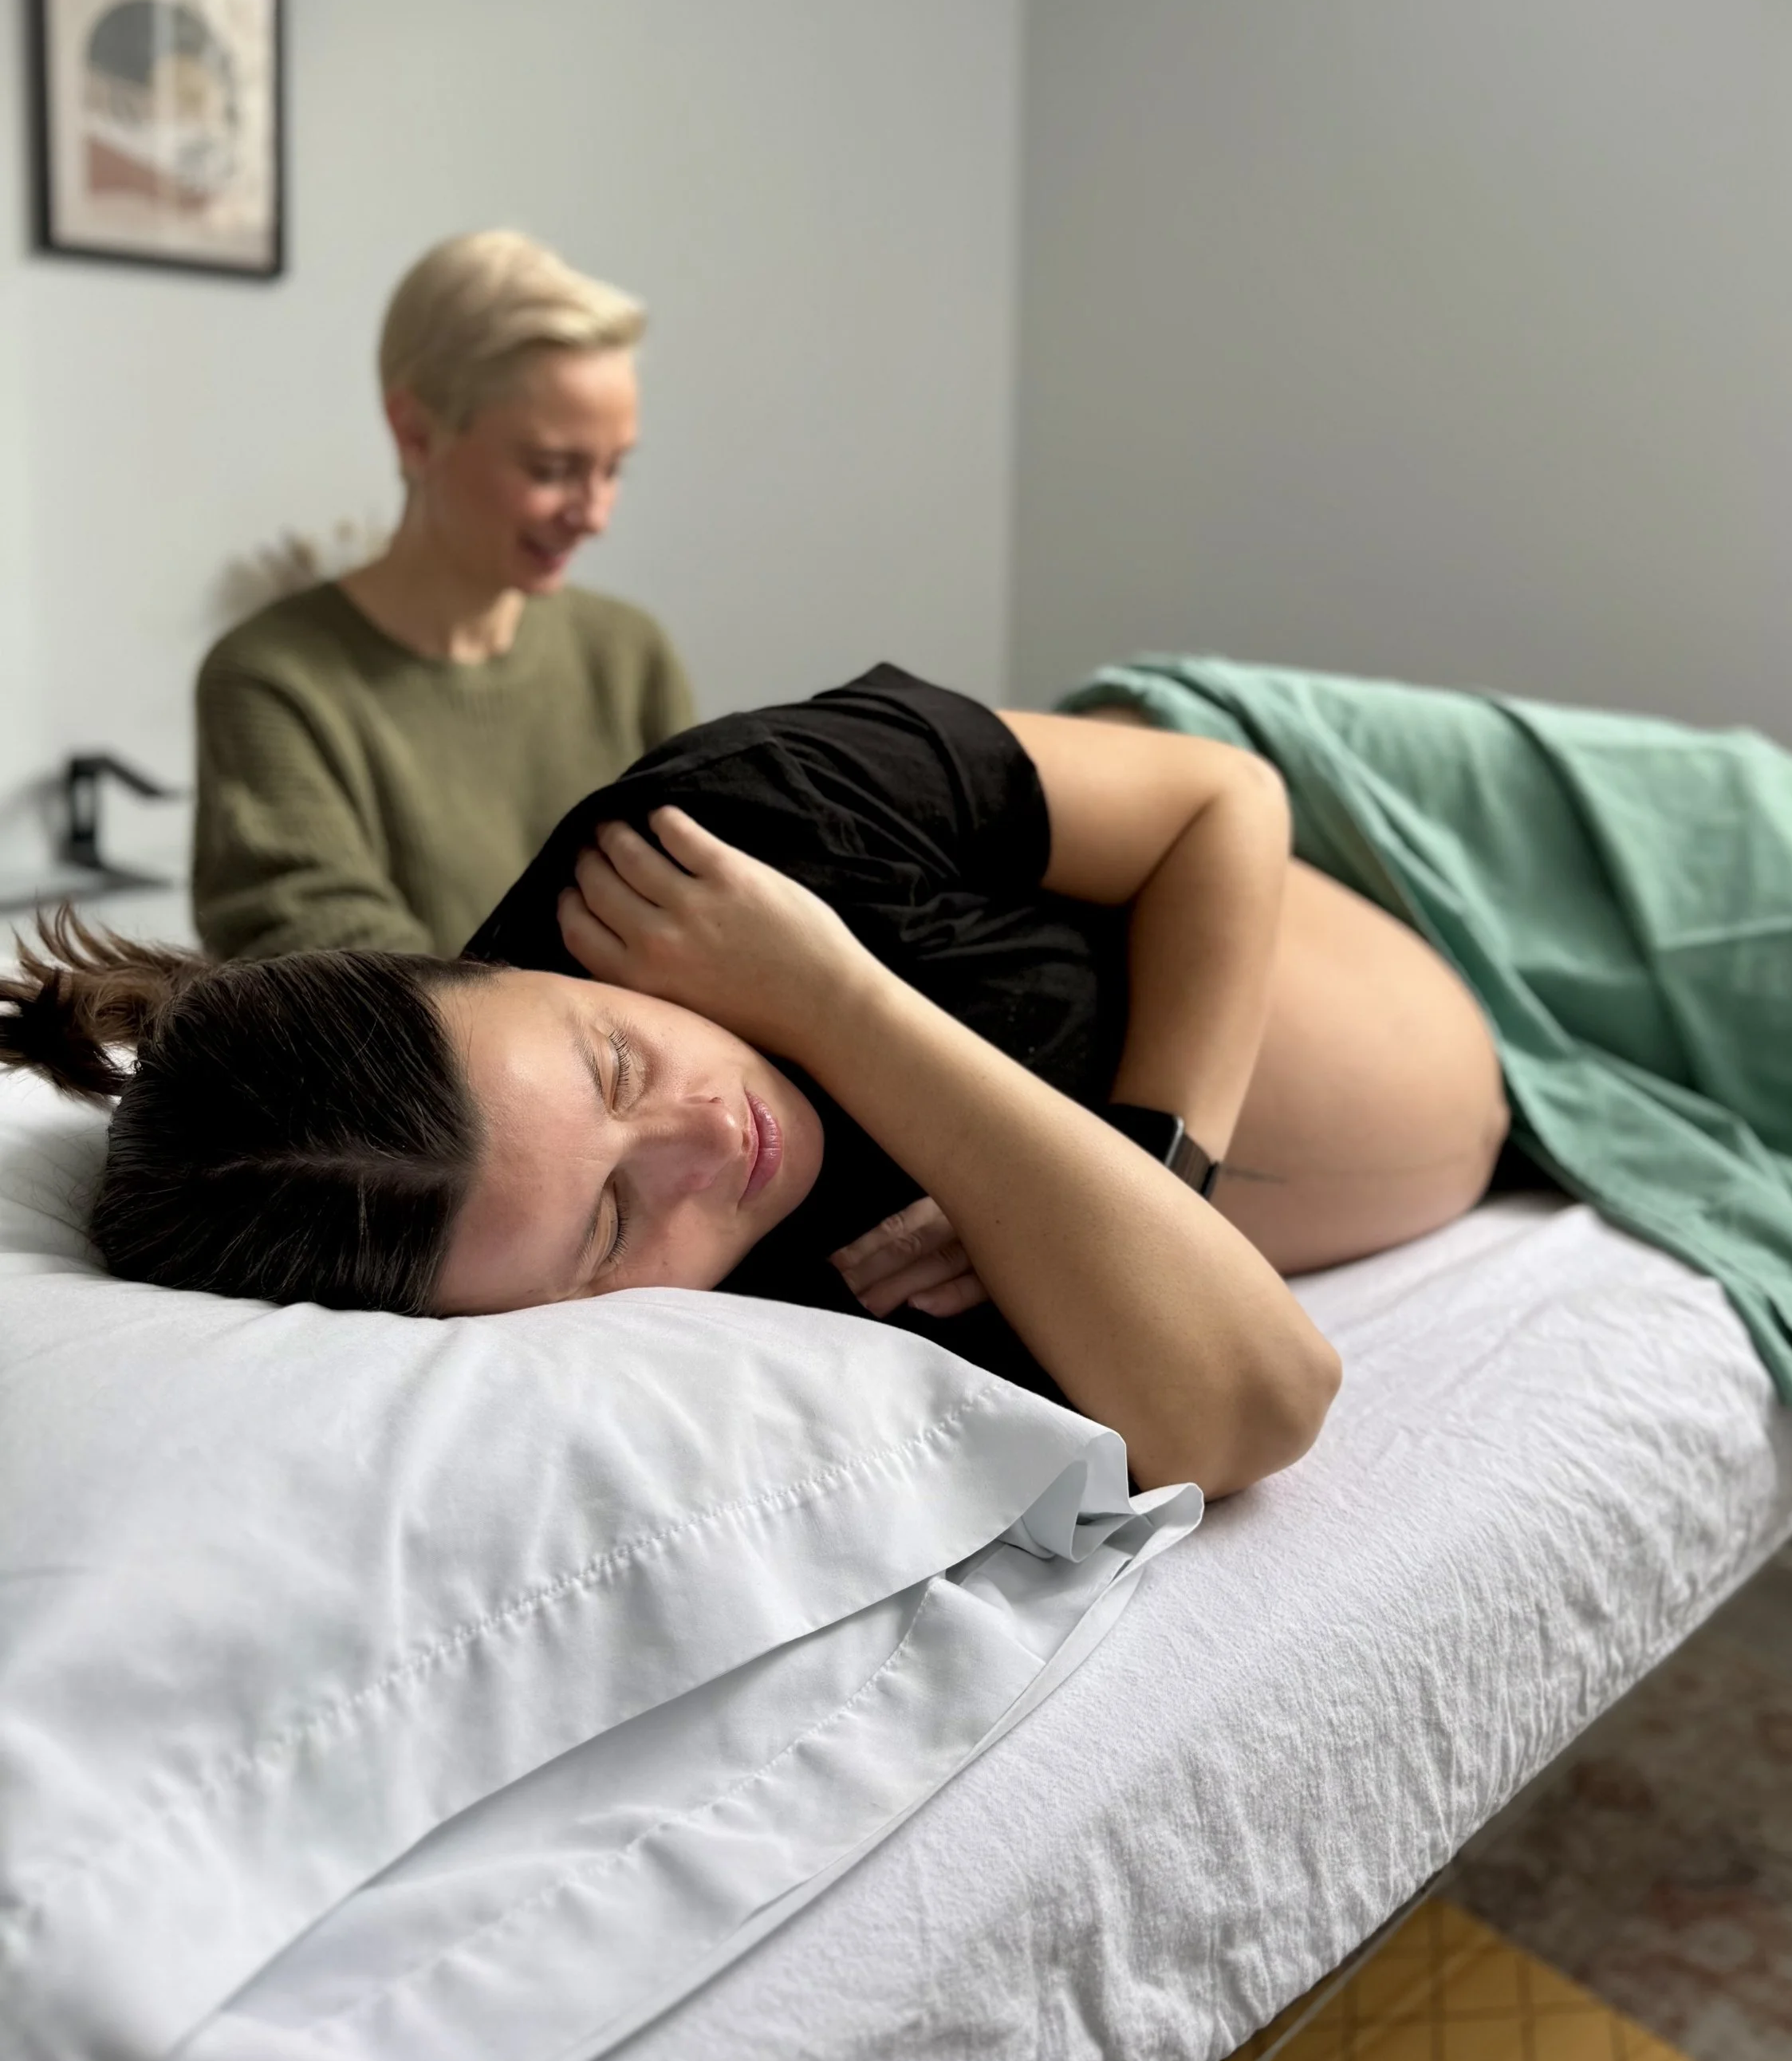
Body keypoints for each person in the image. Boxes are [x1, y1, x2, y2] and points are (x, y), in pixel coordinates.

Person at [2, 663, 1526, 1495]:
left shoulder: (723, 835)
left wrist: (1133, 1154)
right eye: (611, 1222)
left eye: (612, 1057)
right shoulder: (741, 1338)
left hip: (1444, 875)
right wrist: (860, 1033)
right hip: (1518, 1128)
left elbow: (1219, 799)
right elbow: (1259, 1400)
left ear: (488, 957)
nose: (704, 1140)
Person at [193, 231, 696, 961]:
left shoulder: (630, 654)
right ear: (416, 434)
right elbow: (342, 986)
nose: (594, 515)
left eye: (614, 469)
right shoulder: (272, 682)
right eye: (552, 468)